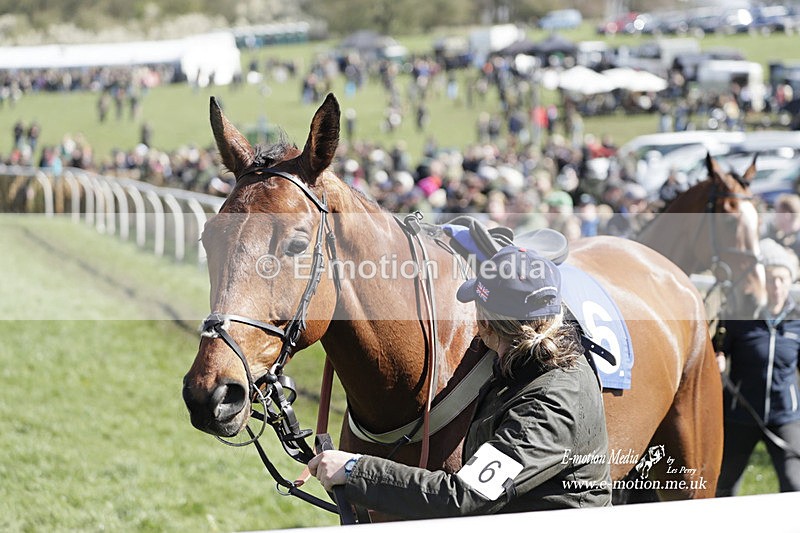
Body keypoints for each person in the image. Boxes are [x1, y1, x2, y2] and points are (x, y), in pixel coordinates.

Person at [309, 246, 612, 518]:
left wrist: (354, 470)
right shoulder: (534, 357)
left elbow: (464, 495)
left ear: (484, 323)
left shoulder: (544, 408)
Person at [716, 238, 800, 496]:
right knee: (725, 487)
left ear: (790, 283)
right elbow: (716, 351)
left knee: (794, 486)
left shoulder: (797, 322)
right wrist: (716, 358)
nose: (776, 286)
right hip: (740, 414)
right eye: (771, 278)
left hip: (785, 417)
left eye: (782, 279)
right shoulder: (739, 317)